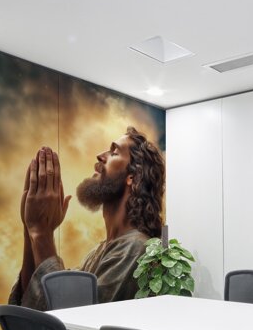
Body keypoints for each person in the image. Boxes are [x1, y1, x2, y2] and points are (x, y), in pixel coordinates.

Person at [9, 126, 165, 309]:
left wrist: (42, 232)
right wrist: (31, 229)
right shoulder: (101, 250)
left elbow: (75, 320)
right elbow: (36, 303)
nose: (100, 156)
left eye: (114, 152)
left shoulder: (136, 248)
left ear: (132, 176)